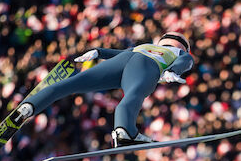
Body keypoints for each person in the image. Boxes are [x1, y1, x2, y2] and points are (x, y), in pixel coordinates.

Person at [13, 32, 194, 147]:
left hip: (126, 59)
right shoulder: (179, 53)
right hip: (148, 66)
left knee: (72, 84)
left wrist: (98, 51)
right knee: (133, 96)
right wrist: (172, 71)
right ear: (182, 46)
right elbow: (185, 62)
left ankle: (29, 105)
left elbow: (120, 53)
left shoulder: (144, 45)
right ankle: (124, 131)